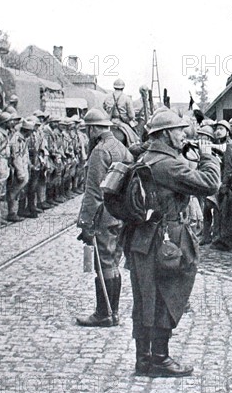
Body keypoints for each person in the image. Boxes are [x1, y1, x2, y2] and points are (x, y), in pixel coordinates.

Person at [121, 107, 220, 377]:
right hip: (165, 240)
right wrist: (208, 157)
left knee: (145, 298)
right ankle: (160, 359)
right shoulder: (168, 165)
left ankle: (144, 359)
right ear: (164, 134)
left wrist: (184, 156)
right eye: (178, 130)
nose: (183, 134)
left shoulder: (147, 158)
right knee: (168, 294)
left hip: (142, 238)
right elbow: (210, 183)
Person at [76, 108, 133, 327]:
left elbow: (93, 192)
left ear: (92, 129)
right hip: (121, 214)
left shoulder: (100, 151)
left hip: (104, 215)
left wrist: (85, 223)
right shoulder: (122, 148)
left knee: (104, 263)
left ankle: (105, 313)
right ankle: (112, 312)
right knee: (113, 261)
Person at [211, 120, 232, 252]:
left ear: (228, 132)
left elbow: (230, 169)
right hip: (223, 182)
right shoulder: (221, 145)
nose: (218, 131)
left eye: (221, 129)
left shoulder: (229, 146)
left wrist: (224, 186)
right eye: (217, 129)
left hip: (228, 184)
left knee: (227, 213)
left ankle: (228, 242)